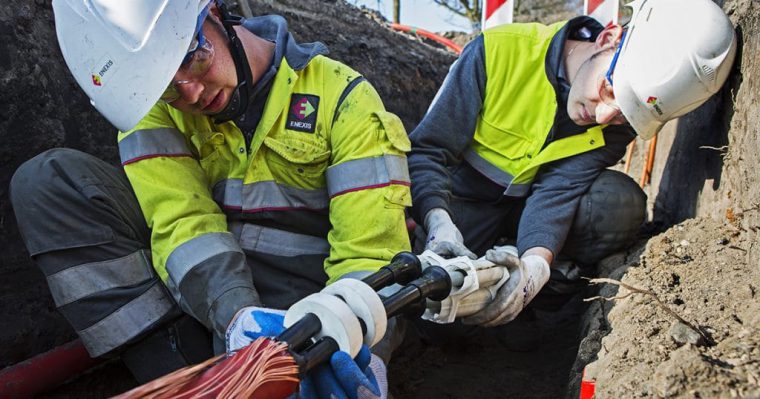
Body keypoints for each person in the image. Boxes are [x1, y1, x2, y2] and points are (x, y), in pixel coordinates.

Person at [10, 0, 410, 396]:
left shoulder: (343, 97)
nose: (193, 93)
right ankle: (174, 371)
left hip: (307, 315)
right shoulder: (153, 107)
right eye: (167, 86)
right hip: (207, 305)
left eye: (193, 58)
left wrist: (357, 341)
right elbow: (183, 221)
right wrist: (235, 317)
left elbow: (370, 255)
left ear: (216, 14)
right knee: (48, 181)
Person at [409, 0, 737, 335]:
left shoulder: (616, 126)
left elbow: (557, 190)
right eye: (610, 89)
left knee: (614, 204)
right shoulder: (497, 53)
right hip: (463, 205)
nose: (602, 117)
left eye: (624, 112)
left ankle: (540, 305)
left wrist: (535, 268)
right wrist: (437, 221)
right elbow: (428, 150)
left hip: (527, 209)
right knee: (436, 319)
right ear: (609, 38)